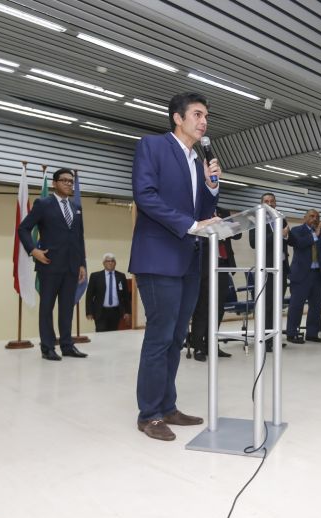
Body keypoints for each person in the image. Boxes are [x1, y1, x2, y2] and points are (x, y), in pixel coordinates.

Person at [129, 92, 220, 441]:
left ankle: (167, 406)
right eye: (197, 114)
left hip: (189, 259)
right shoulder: (152, 147)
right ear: (177, 118)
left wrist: (212, 185)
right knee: (160, 336)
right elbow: (146, 195)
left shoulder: (197, 160)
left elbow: (202, 208)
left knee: (177, 337)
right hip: (158, 257)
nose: (204, 122)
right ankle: (149, 414)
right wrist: (190, 225)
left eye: (206, 117)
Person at [18, 168, 88, 361]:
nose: (68, 184)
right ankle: (47, 347)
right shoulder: (43, 204)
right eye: (64, 180)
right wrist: (33, 250)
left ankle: (67, 345)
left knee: (67, 308)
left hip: (71, 267)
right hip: (49, 265)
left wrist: (81, 264)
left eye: (71, 181)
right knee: (47, 307)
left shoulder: (76, 207)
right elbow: (23, 229)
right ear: (55, 183)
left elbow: (78, 238)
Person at [189, 205, 240, 361]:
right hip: (204, 264)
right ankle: (198, 346)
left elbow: (237, 235)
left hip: (223, 264)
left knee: (218, 307)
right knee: (203, 306)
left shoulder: (223, 212)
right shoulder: (198, 211)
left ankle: (212, 345)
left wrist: (229, 225)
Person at [248, 192, 291, 352]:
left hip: (282, 268)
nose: (269, 203)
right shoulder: (255, 220)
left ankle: (274, 338)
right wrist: (278, 234)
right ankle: (264, 340)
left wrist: (285, 236)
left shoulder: (281, 218)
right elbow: (254, 243)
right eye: (266, 201)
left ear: (275, 203)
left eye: (272, 201)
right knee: (266, 306)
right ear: (261, 204)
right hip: (266, 268)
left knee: (277, 306)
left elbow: (289, 240)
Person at [285, 209, 321, 343]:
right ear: (305, 217)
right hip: (301, 275)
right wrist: (315, 235)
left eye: (317, 216)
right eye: (312, 216)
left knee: (316, 306)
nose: (315, 218)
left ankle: (312, 333)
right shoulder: (297, 230)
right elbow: (299, 244)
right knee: (296, 305)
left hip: (318, 274)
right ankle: (292, 333)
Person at [85, 253, 131, 331]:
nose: (110, 263)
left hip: (115, 312)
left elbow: (126, 296)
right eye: (107, 261)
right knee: (101, 334)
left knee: (113, 335)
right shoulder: (95, 276)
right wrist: (89, 312)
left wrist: (127, 312)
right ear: (103, 263)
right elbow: (89, 296)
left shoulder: (121, 276)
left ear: (115, 263)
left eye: (112, 261)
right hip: (100, 312)